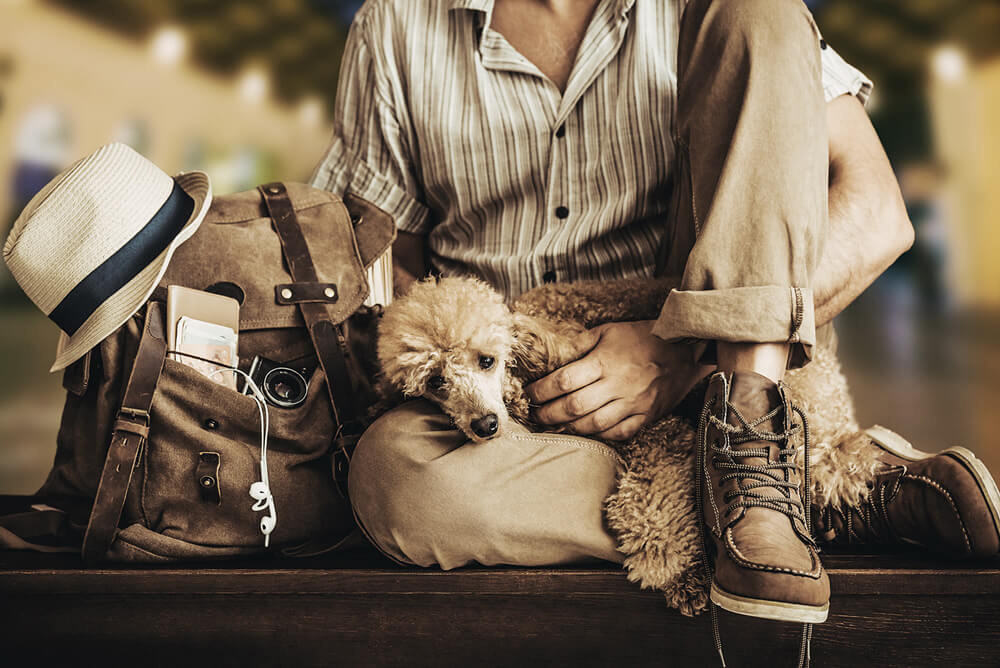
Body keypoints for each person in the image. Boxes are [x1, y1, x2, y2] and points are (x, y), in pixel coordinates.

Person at [311, 0, 999, 635]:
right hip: (517, 418)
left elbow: (876, 217)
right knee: (393, 481)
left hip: (720, 377)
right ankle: (809, 495)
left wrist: (679, 349)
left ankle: (753, 458)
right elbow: (376, 261)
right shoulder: (396, 23)